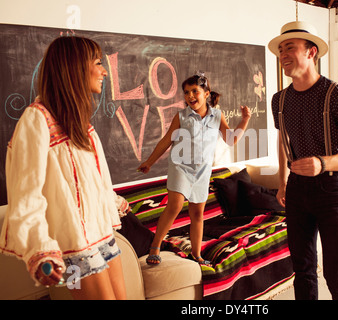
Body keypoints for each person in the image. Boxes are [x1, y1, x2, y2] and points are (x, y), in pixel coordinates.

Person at [0, 36, 129, 300]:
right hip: (72, 250)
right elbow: (26, 196)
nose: (104, 71)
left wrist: (112, 201)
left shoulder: (82, 124)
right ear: (75, 68)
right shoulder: (36, 119)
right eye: (97, 63)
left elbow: (94, 181)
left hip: (100, 237)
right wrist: (41, 250)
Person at [268, 21, 338, 300]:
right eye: (280, 50)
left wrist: (322, 163)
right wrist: (282, 182)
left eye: (289, 48)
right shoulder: (279, 100)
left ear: (311, 52)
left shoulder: (337, 94)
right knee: (302, 269)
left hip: (333, 189)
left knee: (336, 273)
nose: (282, 55)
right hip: (297, 190)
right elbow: (283, 141)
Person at [137, 72, 251, 266]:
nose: (190, 96)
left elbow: (231, 139)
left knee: (198, 214)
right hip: (180, 167)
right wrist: (149, 162)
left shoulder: (217, 115)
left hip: (202, 171)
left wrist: (245, 119)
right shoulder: (181, 117)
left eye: (195, 91)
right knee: (175, 205)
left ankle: (196, 255)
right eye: (186, 92)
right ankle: (155, 247)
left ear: (206, 94)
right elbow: (166, 141)